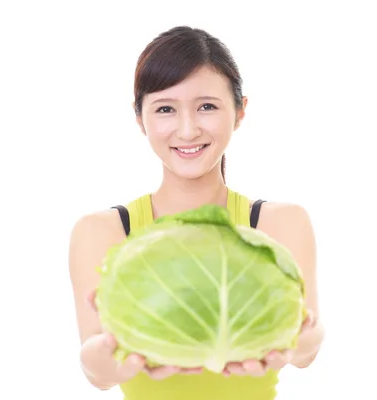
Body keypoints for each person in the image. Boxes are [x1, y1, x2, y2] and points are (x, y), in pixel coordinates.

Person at [68, 25, 324, 400]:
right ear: (140, 118)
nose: (187, 130)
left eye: (207, 106)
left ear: (240, 112)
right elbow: (96, 370)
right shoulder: (102, 231)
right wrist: (113, 357)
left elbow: (308, 348)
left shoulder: (281, 222)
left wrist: (297, 338)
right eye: (166, 109)